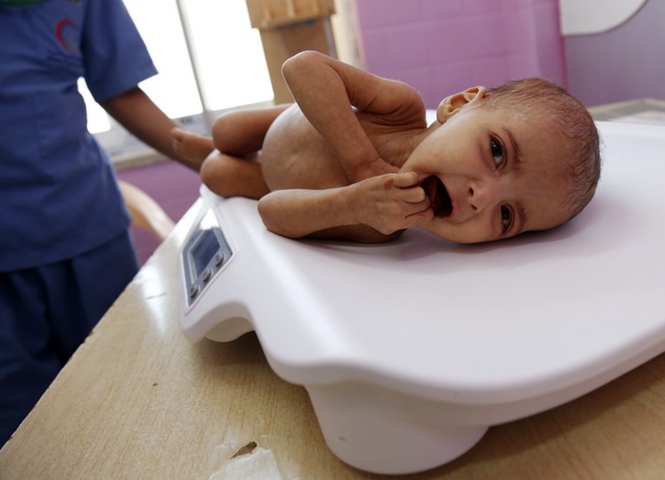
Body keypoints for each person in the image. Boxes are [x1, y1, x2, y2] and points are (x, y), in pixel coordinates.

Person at [0, 0, 200, 444]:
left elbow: (119, 89)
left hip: (87, 227)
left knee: (130, 385)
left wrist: (218, 163)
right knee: (21, 426)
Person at [174, 51, 600, 245]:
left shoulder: (380, 223)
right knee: (227, 131)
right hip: (289, 123)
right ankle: (204, 142)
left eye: (506, 216)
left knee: (217, 174)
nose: (481, 197)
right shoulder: (400, 109)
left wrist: (351, 205)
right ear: (457, 105)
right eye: (496, 151)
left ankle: (204, 156)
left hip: (273, 180)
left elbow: (271, 211)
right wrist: (362, 162)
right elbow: (303, 67)